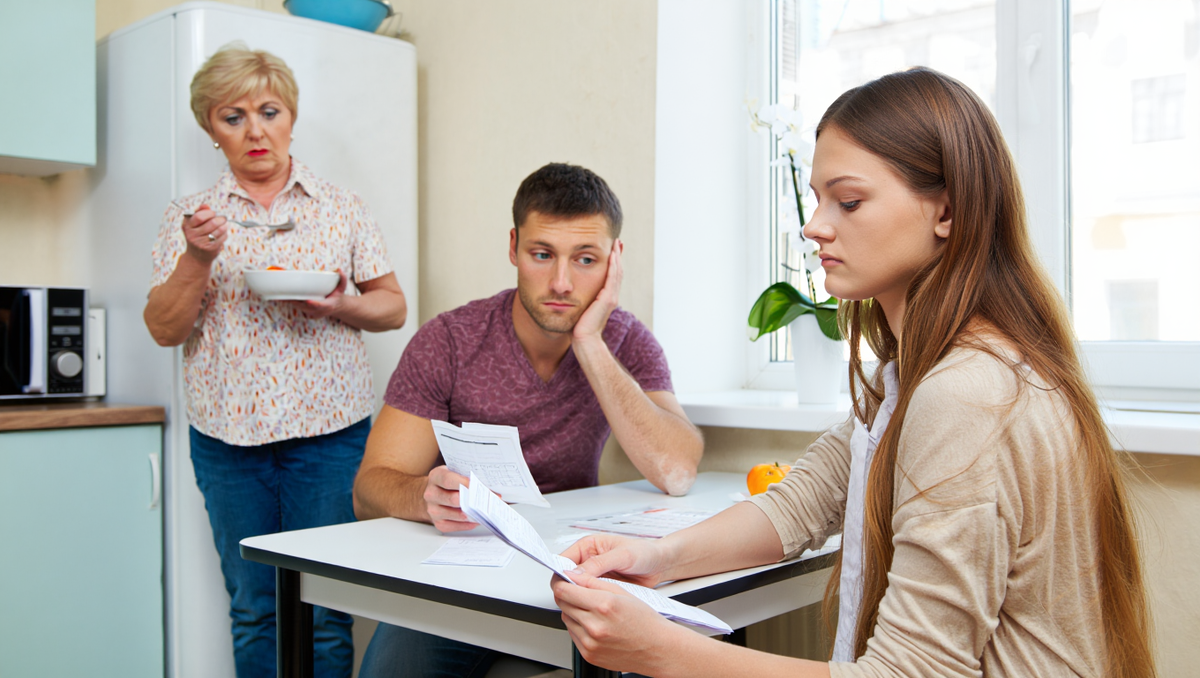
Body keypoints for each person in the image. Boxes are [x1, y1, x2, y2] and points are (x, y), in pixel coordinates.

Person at [551, 68, 1156, 678]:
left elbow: (909, 674)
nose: (815, 226)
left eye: (848, 201)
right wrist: (657, 557)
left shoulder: (965, 392)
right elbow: (802, 504)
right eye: (816, 199)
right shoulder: (917, 372)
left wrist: (659, 650)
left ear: (946, 211)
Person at [354, 162, 704, 677]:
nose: (561, 282)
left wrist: (589, 341)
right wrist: (424, 499)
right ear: (514, 247)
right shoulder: (450, 339)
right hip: (460, 578)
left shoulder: (626, 340)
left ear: (615, 260)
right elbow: (368, 490)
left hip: (570, 571)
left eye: (586, 259)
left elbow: (677, 470)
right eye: (542, 255)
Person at [143, 44, 407, 678]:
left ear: (291, 116)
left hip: (330, 437)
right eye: (233, 117)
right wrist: (198, 258)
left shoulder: (341, 208)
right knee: (257, 605)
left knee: (325, 606)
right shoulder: (188, 220)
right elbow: (163, 328)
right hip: (229, 443)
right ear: (211, 129)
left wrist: (344, 301)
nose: (255, 130)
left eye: (269, 111)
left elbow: (393, 308)